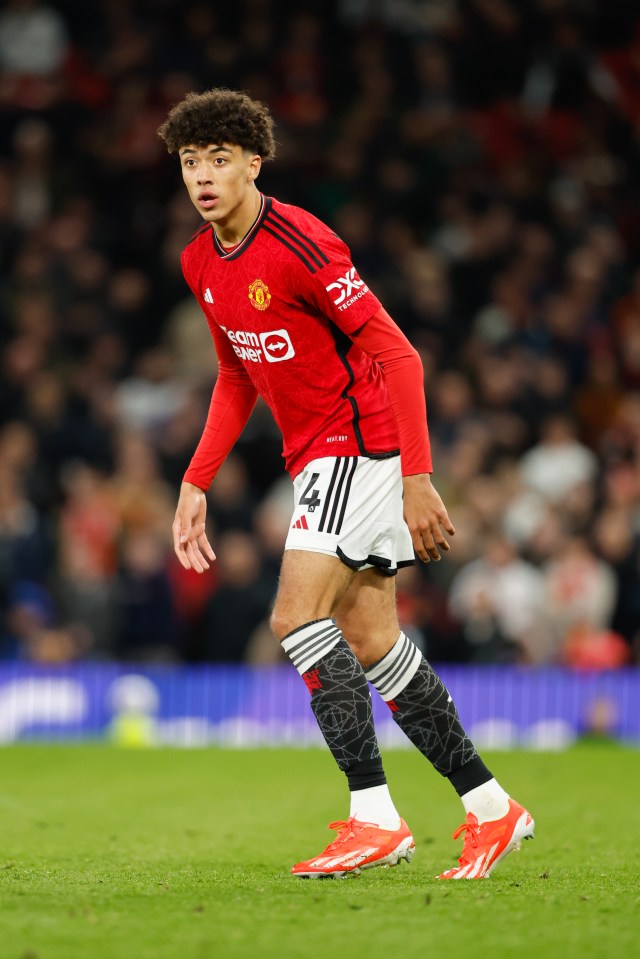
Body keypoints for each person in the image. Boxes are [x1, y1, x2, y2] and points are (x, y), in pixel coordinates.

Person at [157, 88, 534, 880]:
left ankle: (375, 817)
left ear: (254, 163)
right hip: (318, 455)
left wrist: (418, 478)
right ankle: (492, 806)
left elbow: (400, 354)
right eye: (192, 161)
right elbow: (236, 374)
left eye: (220, 159)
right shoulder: (200, 261)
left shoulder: (301, 241)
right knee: (370, 641)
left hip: (359, 443)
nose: (203, 175)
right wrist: (196, 481)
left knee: (295, 617)